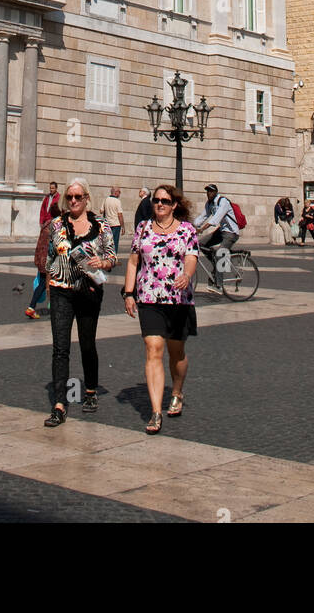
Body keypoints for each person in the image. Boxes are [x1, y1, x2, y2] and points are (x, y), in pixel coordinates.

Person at [123, 185, 199, 435]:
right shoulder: (143, 228)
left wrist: (187, 275)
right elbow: (134, 262)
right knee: (153, 349)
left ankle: (176, 391)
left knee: (176, 352)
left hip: (179, 299)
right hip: (149, 297)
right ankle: (155, 411)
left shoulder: (187, 230)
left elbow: (191, 257)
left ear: (174, 204)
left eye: (165, 201)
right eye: (156, 200)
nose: (160, 204)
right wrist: (129, 292)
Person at [43, 178, 115, 427]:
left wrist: (102, 263)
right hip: (61, 291)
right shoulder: (55, 225)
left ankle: (91, 391)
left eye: (78, 197)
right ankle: (60, 404)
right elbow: (49, 258)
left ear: (86, 198)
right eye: (69, 197)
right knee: (60, 348)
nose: (73, 201)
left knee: (87, 344)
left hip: (89, 291)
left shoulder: (101, 226)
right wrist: (48, 287)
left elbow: (111, 256)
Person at [193, 185, 239, 275]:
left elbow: (215, 219)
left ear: (216, 192)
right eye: (207, 191)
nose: (209, 193)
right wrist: (191, 226)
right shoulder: (209, 204)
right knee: (201, 244)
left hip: (231, 233)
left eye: (211, 191)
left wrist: (201, 229)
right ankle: (217, 264)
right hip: (221, 231)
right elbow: (202, 217)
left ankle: (219, 285)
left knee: (219, 253)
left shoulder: (223, 202)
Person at [25, 203, 61, 318]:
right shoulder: (56, 226)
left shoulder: (46, 224)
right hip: (49, 261)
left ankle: (31, 307)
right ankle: (52, 307)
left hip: (41, 258)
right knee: (51, 283)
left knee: (42, 283)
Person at [100, 186, 125, 255]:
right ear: (116, 192)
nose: (120, 194)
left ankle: (107, 255)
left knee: (107, 241)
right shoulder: (117, 201)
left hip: (108, 223)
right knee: (115, 242)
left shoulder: (106, 200)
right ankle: (114, 257)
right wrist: (123, 226)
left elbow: (101, 211)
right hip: (116, 224)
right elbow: (120, 215)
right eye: (119, 192)